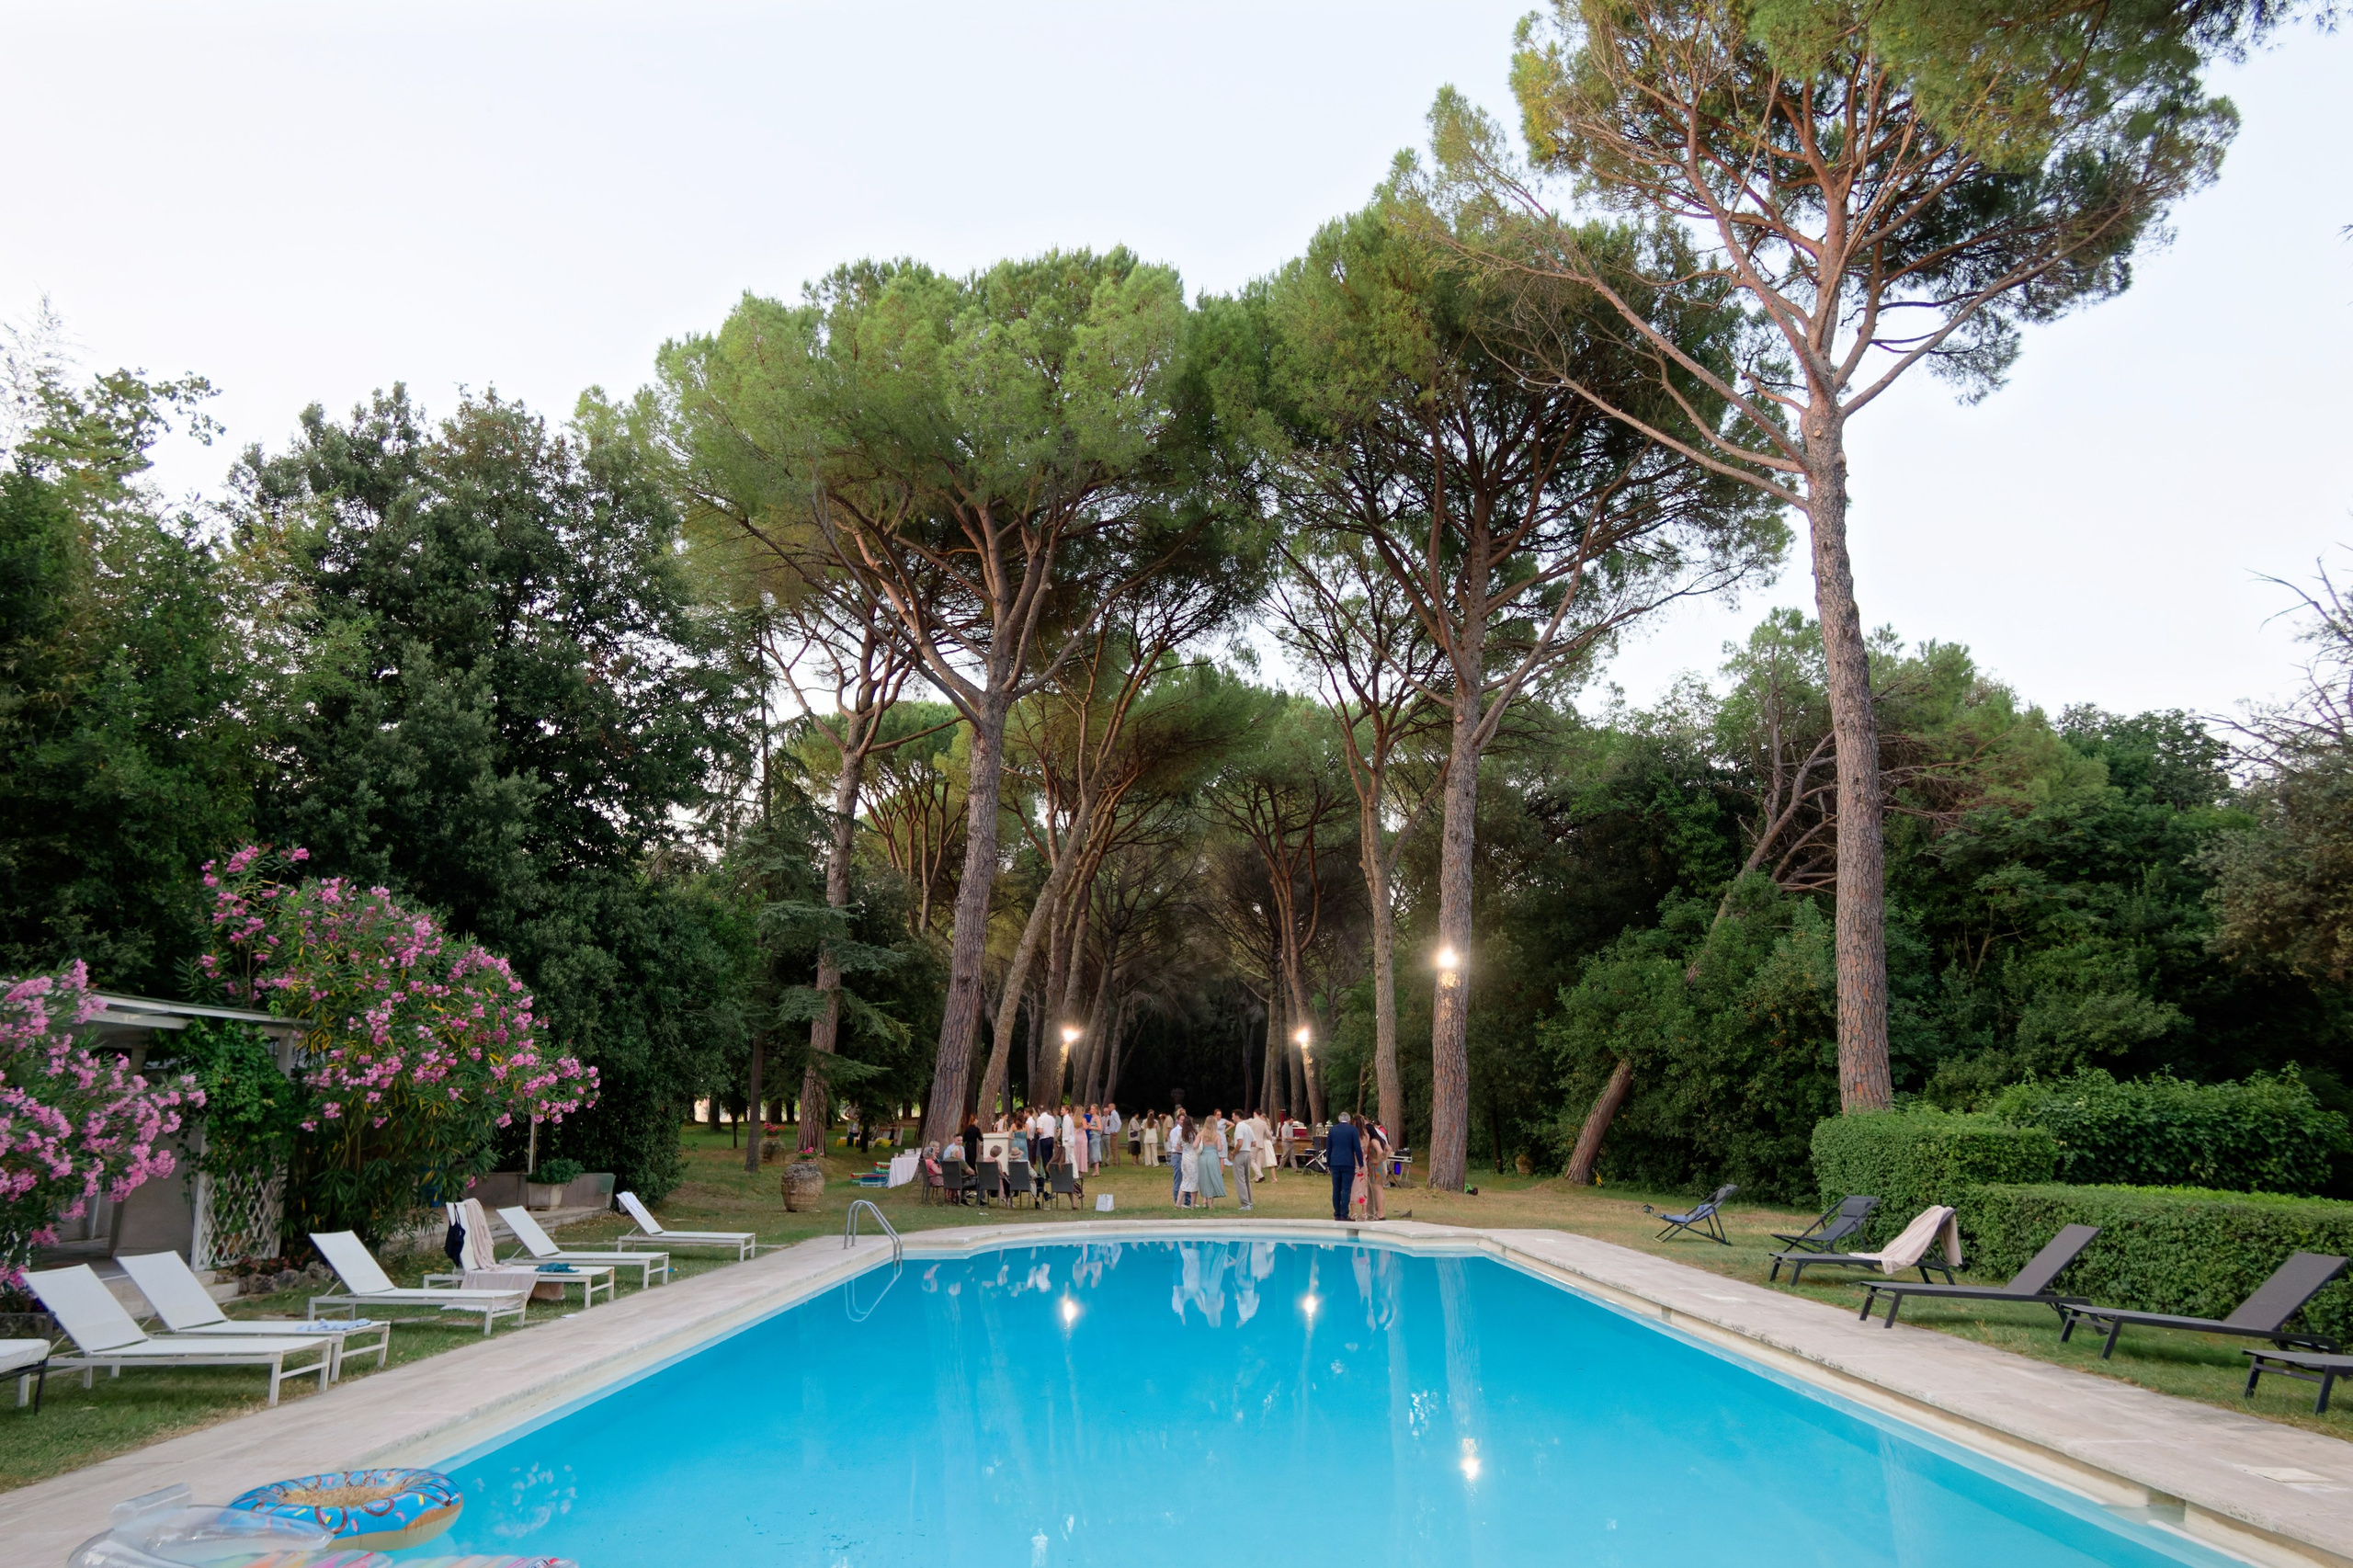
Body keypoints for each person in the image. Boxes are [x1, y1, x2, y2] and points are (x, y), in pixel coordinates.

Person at [1325, 1111, 1363, 1222]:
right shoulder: (1353, 1130)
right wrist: (1360, 1163)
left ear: (1338, 1119)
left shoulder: (1332, 1130)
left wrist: (1328, 1163)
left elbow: (1329, 1147)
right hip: (1348, 1162)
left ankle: (1337, 1213)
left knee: (1336, 1189)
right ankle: (1344, 1214)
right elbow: (1357, 1148)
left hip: (1335, 1162)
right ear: (1349, 1120)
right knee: (1346, 1189)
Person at [1232, 1110, 1259, 1210]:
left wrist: (1233, 1152)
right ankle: (1249, 1202)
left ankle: (1245, 1203)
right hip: (1248, 1153)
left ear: (1237, 1116)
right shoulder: (1248, 1127)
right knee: (1247, 1179)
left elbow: (1239, 1142)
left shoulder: (1239, 1127)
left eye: (1233, 1116)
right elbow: (1254, 1143)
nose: (1232, 1118)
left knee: (1240, 1179)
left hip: (1240, 1153)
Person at [1177, 1119, 1201, 1209]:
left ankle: (1178, 1203)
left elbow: (1178, 1146)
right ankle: (1193, 1204)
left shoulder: (1181, 1134)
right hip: (1193, 1157)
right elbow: (1197, 1145)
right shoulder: (1194, 1133)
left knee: (1185, 1179)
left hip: (1185, 1157)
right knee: (1194, 1180)